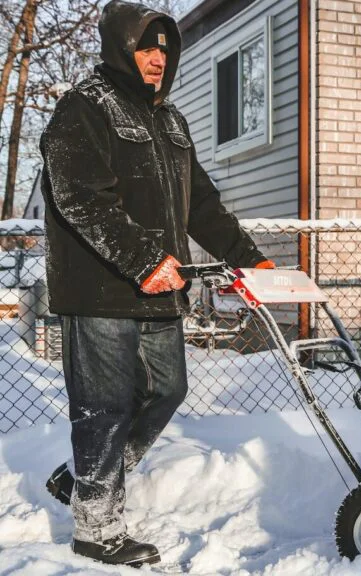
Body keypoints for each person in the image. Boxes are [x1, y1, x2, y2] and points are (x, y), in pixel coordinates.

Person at [39, 1, 273, 567]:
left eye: (166, 49)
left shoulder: (171, 121)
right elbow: (80, 198)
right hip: (101, 290)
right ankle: (96, 528)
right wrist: (144, 259)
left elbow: (203, 206)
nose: (157, 59)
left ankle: (86, 482)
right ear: (120, 46)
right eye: (147, 47)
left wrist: (252, 260)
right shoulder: (83, 109)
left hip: (161, 291)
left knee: (166, 390)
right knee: (104, 405)